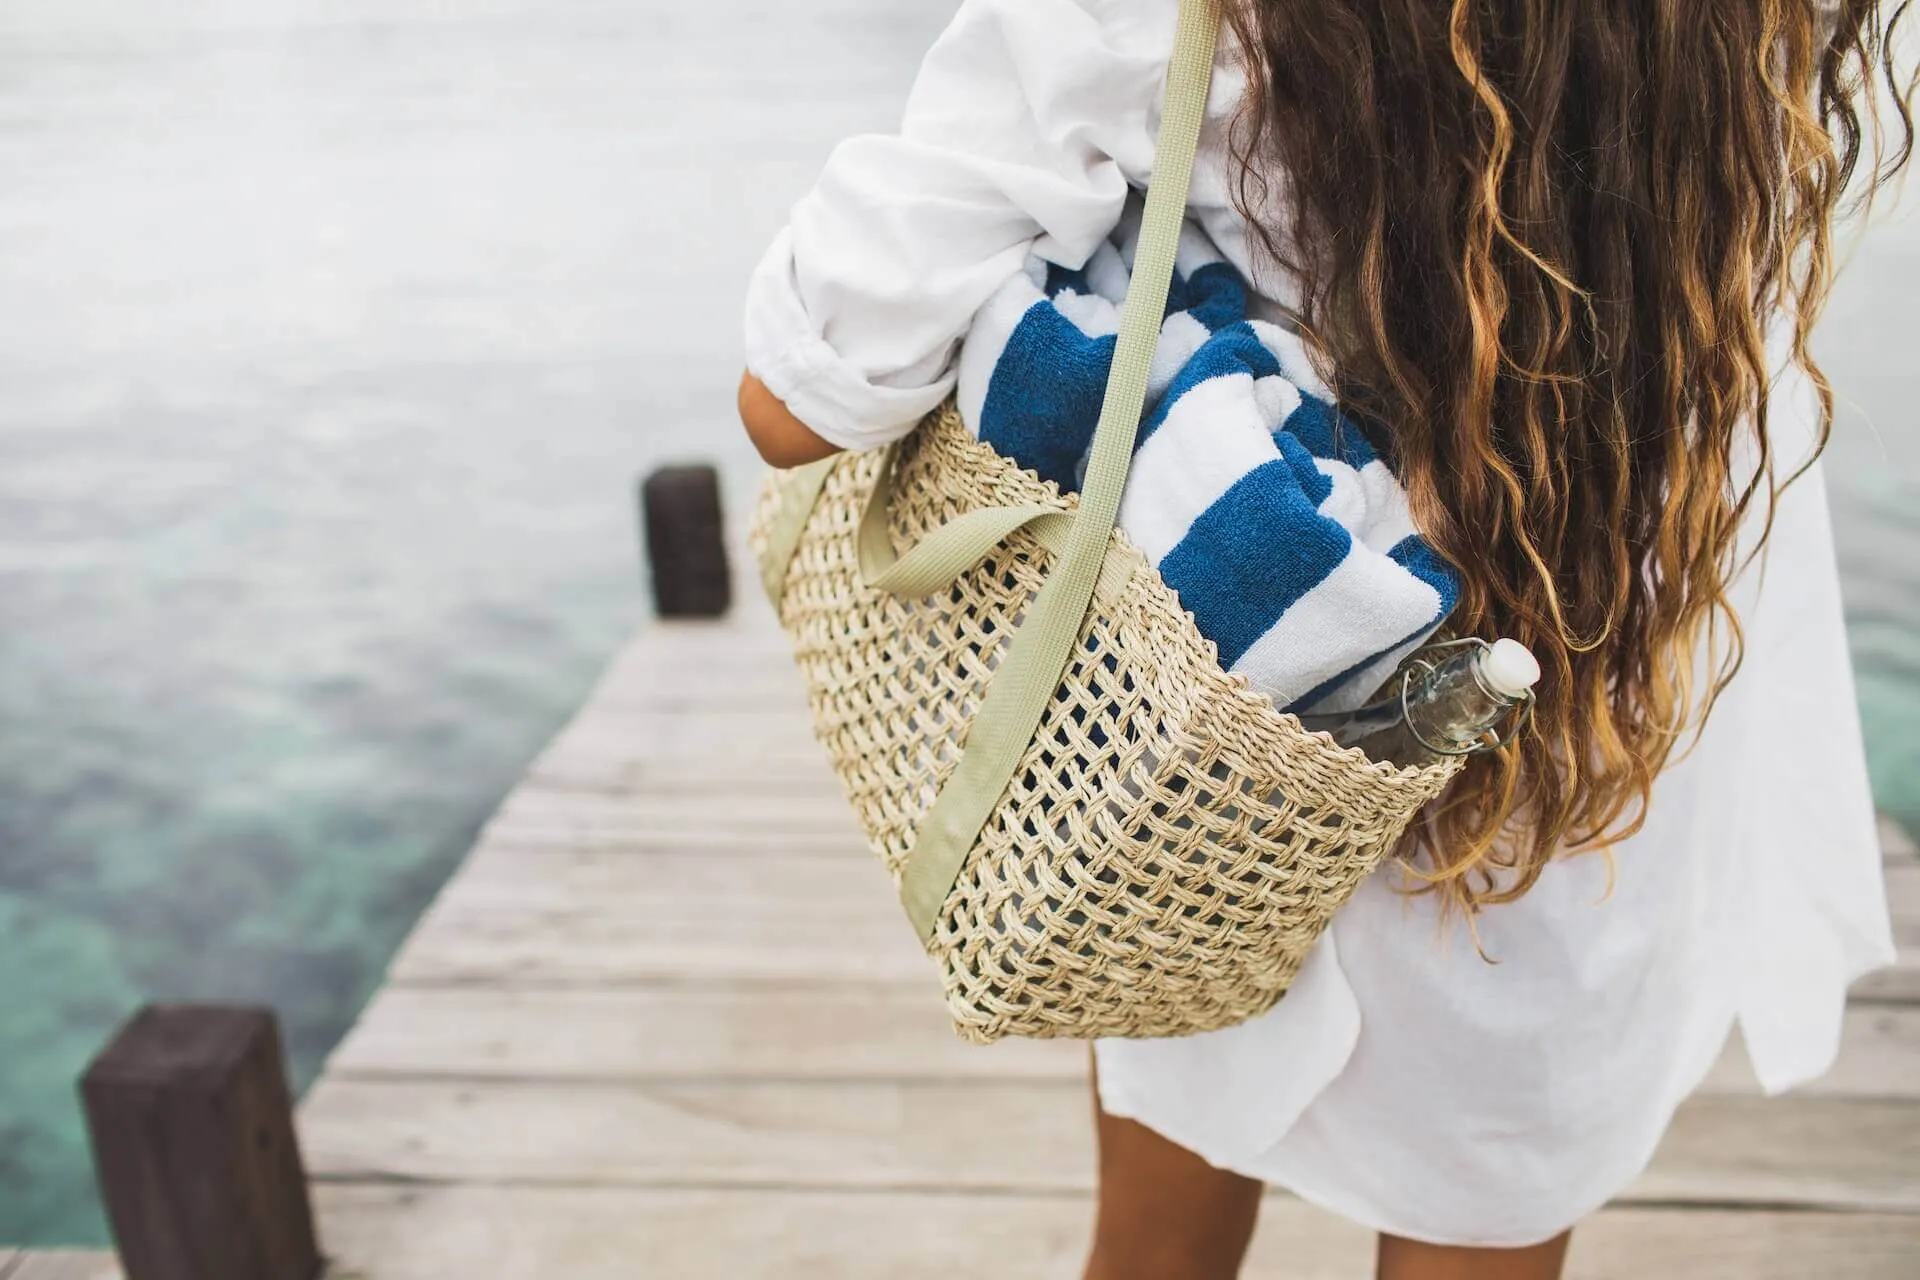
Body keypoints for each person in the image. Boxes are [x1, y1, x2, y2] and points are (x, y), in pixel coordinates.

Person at [736, 1, 1915, 1276]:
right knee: (1487, 1214)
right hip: (1581, 726)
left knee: (1155, 1240)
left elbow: (796, 399)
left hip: (1218, 736)